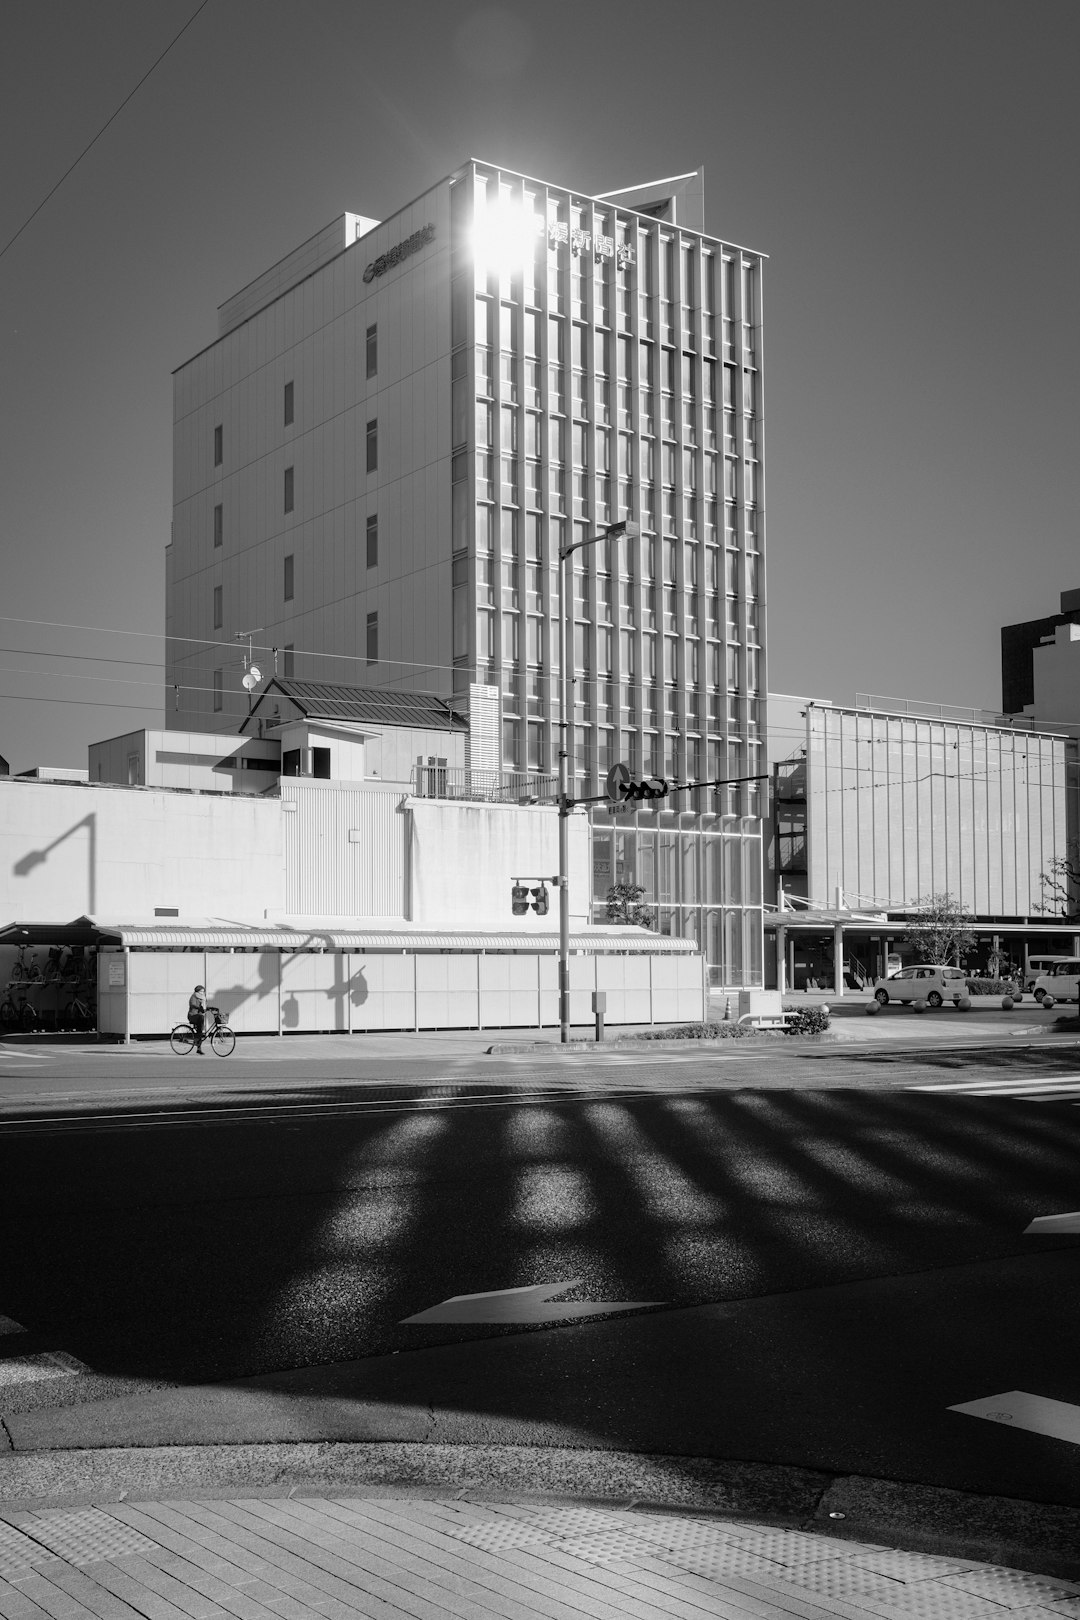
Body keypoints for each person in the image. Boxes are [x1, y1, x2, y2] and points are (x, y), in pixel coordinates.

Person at [188, 984, 207, 1053]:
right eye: (201, 991)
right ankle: (198, 1036)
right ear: (198, 991)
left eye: (203, 991)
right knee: (201, 1018)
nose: (202, 992)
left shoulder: (202, 998)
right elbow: (192, 1004)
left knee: (200, 1033)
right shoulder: (193, 996)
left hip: (198, 1016)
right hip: (192, 1015)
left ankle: (199, 1049)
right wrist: (198, 1008)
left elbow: (203, 1007)